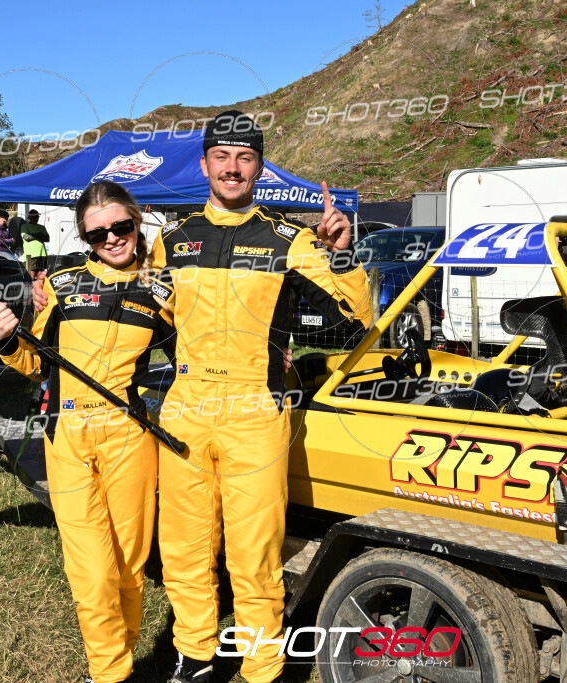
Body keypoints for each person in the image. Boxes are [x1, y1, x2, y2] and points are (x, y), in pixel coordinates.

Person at [154, 111, 372, 683]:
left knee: (253, 558)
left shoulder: (288, 239)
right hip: (186, 409)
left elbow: (350, 325)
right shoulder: (170, 241)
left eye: (244, 157)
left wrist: (342, 255)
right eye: (222, 156)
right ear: (205, 164)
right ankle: (195, 657)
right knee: (183, 548)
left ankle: (261, 668)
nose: (232, 167)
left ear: (258, 168)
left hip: (256, 411)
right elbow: (150, 321)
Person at [0, 181, 171, 683]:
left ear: (136, 221)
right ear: (85, 238)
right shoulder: (62, 282)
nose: (111, 238)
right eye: (96, 234)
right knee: (91, 570)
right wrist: (6, 340)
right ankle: (107, 672)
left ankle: (120, 659)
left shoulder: (163, 287)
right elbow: (36, 364)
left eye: (120, 226)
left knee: (129, 567)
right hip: (68, 436)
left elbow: (194, 352)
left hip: (130, 439)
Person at [22, 209, 50, 280]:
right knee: (29, 276)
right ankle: (28, 287)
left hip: (42, 254)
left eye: (37, 217)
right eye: (34, 217)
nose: (36, 218)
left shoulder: (42, 227)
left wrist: (33, 235)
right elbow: (27, 237)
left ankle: (38, 287)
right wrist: (39, 234)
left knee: (41, 276)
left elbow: (47, 238)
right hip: (29, 256)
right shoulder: (25, 226)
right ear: (29, 217)